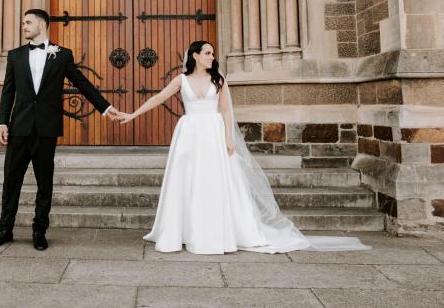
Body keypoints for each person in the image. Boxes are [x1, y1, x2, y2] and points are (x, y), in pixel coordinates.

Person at [120, 40, 369, 254]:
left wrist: (229, 138)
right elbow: (157, 98)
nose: (211, 56)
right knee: (187, 181)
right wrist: (132, 115)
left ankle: (217, 232)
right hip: (189, 134)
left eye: (212, 53)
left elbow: (227, 110)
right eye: (207, 53)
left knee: (215, 181)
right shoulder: (181, 80)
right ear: (195, 56)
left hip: (213, 132)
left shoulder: (218, 80)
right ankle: (183, 230)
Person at [0, 9, 125, 250]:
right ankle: (4, 230)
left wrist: (105, 108)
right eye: (23, 22)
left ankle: (39, 231)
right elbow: (8, 91)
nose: (24, 26)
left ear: (42, 24)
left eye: (28, 22)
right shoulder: (15, 56)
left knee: (45, 182)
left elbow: (82, 83)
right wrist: (2, 122)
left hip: (46, 129)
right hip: (19, 127)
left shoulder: (62, 55)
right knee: (11, 181)